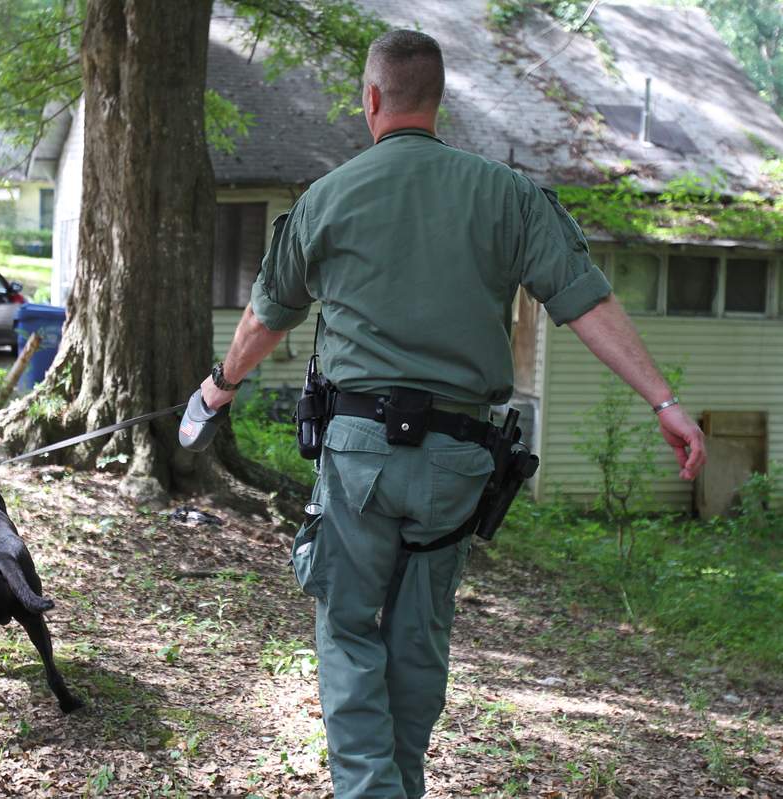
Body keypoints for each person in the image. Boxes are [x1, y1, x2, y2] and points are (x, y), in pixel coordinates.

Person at [197, 29, 706, 799]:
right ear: (439, 103)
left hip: (359, 452)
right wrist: (665, 402)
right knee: (418, 637)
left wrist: (217, 388)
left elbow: (264, 320)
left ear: (371, 99)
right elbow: (588, 302)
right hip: (456, 460)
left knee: (347, 630)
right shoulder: (507, 196)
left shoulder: (328, 197)